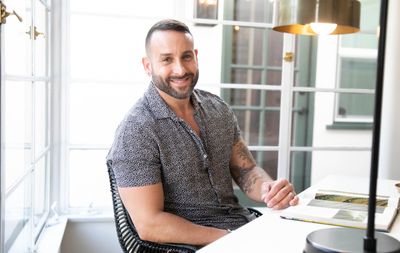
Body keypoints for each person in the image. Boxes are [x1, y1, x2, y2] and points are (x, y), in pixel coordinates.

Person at [106, 19, 299, 247]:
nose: (180, 69)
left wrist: (269, 190)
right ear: (148, 65)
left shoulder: (218, 109)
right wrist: (231, 240)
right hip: (189, 246)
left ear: (195, 56)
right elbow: (150, 225)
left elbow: (247, 171)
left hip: (241, 229)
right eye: (167, 59)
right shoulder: (136, 130)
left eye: (186, 56)